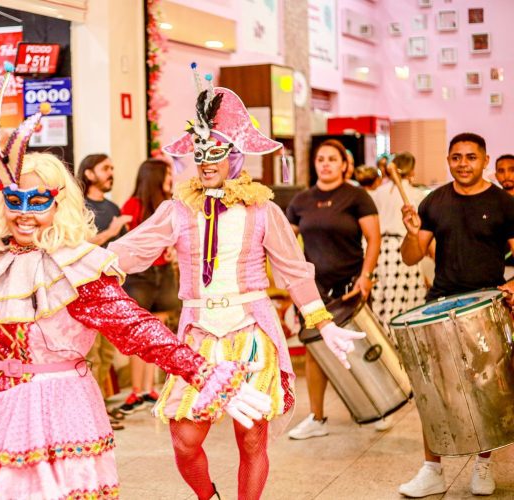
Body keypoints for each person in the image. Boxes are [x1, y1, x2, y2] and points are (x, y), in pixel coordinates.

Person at [0, 69, 270, 499]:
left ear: (59, 203)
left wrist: (212, 380)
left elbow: (138, 330)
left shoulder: (75, 268)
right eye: (15, 200)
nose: (25, 212)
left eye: (38, 200)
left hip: (55, 408)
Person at [109, 67, 364, 500]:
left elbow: (295, 269)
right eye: (199, 152)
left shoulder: (263, 209)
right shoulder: (178, 209)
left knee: (251, 439)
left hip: (250, 330)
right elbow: (130, 249)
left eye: (217, 151)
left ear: (235, 156)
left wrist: (323, 323)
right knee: (185, 440)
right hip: (196, 335)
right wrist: (75, 264)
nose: (206, 161)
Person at [399, 133, 514, 498]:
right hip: (441, 302)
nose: (463, 163)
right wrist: (411, 233)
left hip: (486, 306)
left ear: (484, 160)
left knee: (486, 391)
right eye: (456, 157)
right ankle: (432, 468)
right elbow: (411, 257)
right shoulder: (434, 201)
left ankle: (482, 465)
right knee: (433, 390)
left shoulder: (503, 203)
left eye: (470, 157)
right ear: (448, 160)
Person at [285, 139, 381, 439]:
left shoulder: (357, 196)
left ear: (344, 165)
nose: (325, 164)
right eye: (320, 159)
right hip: (314, 290)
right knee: (316, 351)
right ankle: (316, 417)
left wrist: (366, 276)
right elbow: (286, 244)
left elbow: (374, 239)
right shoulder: (301, 201)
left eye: (331, 159)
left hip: (351, 285)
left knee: (359, 347)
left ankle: (376, 407)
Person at [116, 158, 181, 415]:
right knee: (139, 334)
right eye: (166, 175)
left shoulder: (169, 206)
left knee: (158, 330)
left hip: (162, 272)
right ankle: (136, 391)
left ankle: (151, 388)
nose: (170, 179)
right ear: (154, 177)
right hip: (140, 276)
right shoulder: (133, 206)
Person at [77, 153, 132, 428]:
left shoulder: (112, 206)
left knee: (108, 354)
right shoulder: (78, 207)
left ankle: (102, 407)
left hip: (111, 289)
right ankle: (92, 414)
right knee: (92, 355)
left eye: (112, 167)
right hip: (85, 291)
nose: (111, 173)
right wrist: (111, 231)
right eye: (105, 168)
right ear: (89, 174)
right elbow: (81, 246)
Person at [369, 152, 428, 325]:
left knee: (383, 299)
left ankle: (385, 336)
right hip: (404, 248)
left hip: (381, 251)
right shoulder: (415, 194)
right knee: (405, 301)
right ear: (411, 171)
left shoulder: (378, 192)